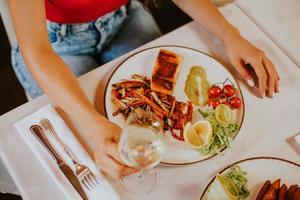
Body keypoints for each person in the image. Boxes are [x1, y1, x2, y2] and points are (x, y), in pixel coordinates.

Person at [8, 0, 279, 179]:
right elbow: (36, 50)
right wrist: (94, 127)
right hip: (55, 43)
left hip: (123, 18)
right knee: (87, 146)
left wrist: (231, 35)